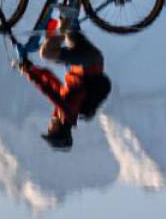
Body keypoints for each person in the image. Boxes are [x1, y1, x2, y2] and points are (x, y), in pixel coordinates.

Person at [16, 17, 112, 150]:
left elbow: (52, 81)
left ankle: (76, 0)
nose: (49, 127)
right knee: (47, 53)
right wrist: (30, 73)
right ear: (58, 131)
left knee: (68, 16)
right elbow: (50, 92)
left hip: (90, 61)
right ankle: (65, 23)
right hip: (88, 63)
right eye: (50, 131)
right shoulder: (68, 114)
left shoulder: (65, 112)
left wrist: (33, 69)